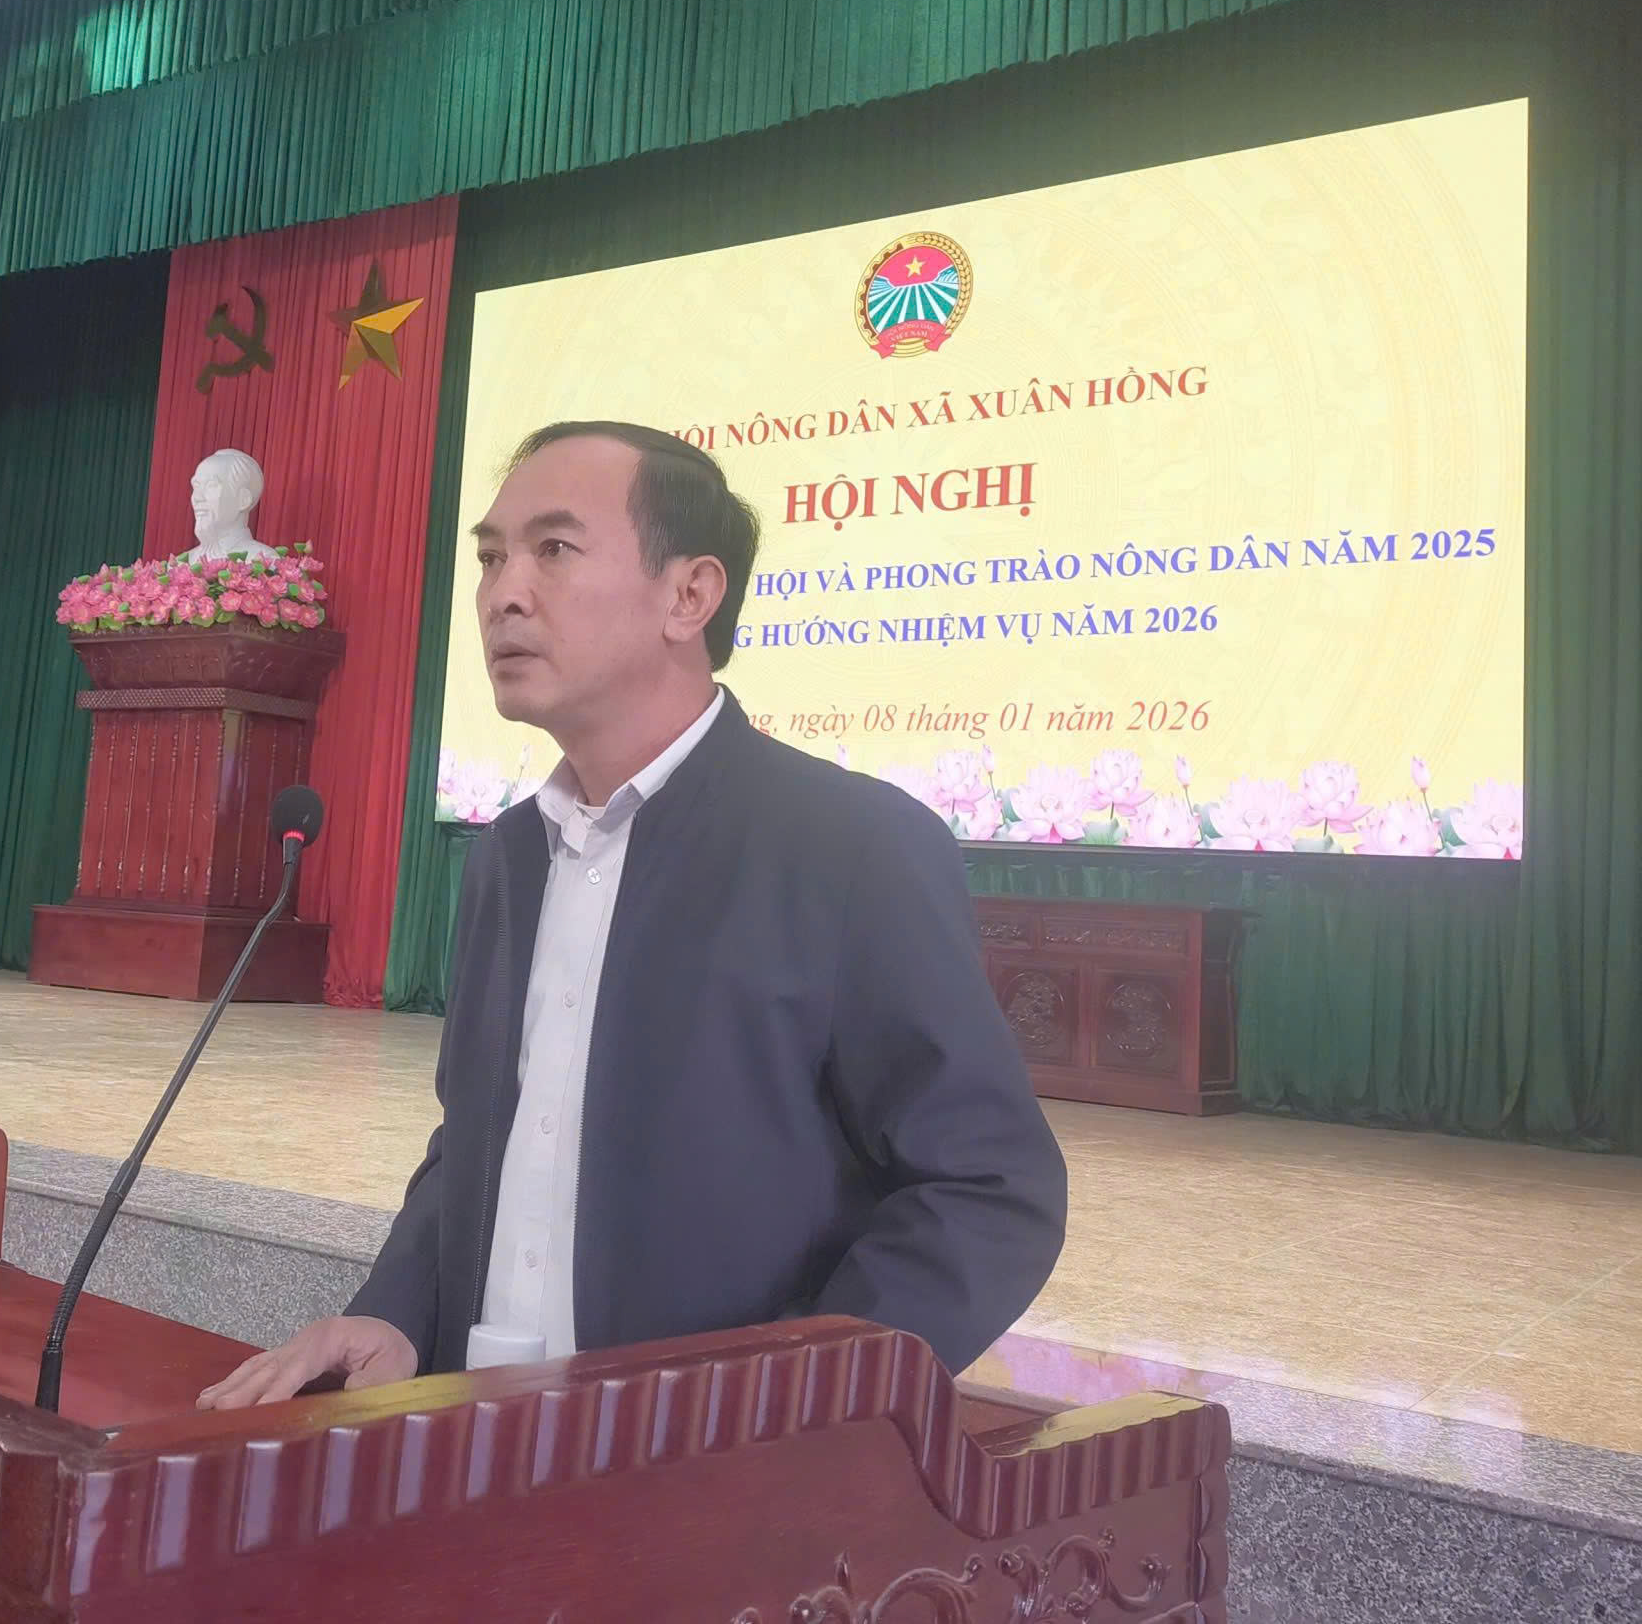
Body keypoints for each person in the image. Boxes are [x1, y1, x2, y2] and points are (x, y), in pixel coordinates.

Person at [199, 422, 1066, 1408]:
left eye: (554, 549)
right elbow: (480, 1144)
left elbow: (988, 1187)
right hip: (479, 1443)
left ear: (689, 595)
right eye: (491, 557)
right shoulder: (506, 858)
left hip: (718, 1472)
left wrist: (795, 1400)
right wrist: (397, 1311)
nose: (504, 592)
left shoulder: (851, 845)